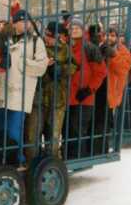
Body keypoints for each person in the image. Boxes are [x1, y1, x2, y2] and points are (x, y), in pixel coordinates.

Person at [0, 9, 48, 165]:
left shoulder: (36, 41)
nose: (26, 24)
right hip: (0, 91)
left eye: (28, 21)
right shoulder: (1, 39)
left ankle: (16, 163)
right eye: (22, 21)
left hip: (20, 93)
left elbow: (42, 67)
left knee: (14, 131)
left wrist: (24, 64)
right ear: (14, 23)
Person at [66, 19, 106, 159]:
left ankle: (77, 159)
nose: (75, 29)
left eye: (78, 27)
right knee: (67, 131)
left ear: (83, 30)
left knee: (77, 132)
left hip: (83, 98)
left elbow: (101, 72)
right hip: (66, 98)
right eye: (72, 27)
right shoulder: (66, 47)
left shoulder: (90, 48)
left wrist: (89, 90)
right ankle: (68, 158)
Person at [39, 21, 75, 158]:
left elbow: (74, 66)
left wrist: (61, 69)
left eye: (52, 36)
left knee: (53, 135)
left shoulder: (65, 48)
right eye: (47, 34)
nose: (48, 38)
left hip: (58, 97)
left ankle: (52, 164)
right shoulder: (38, 46)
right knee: (34, 135)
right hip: (39, 96)